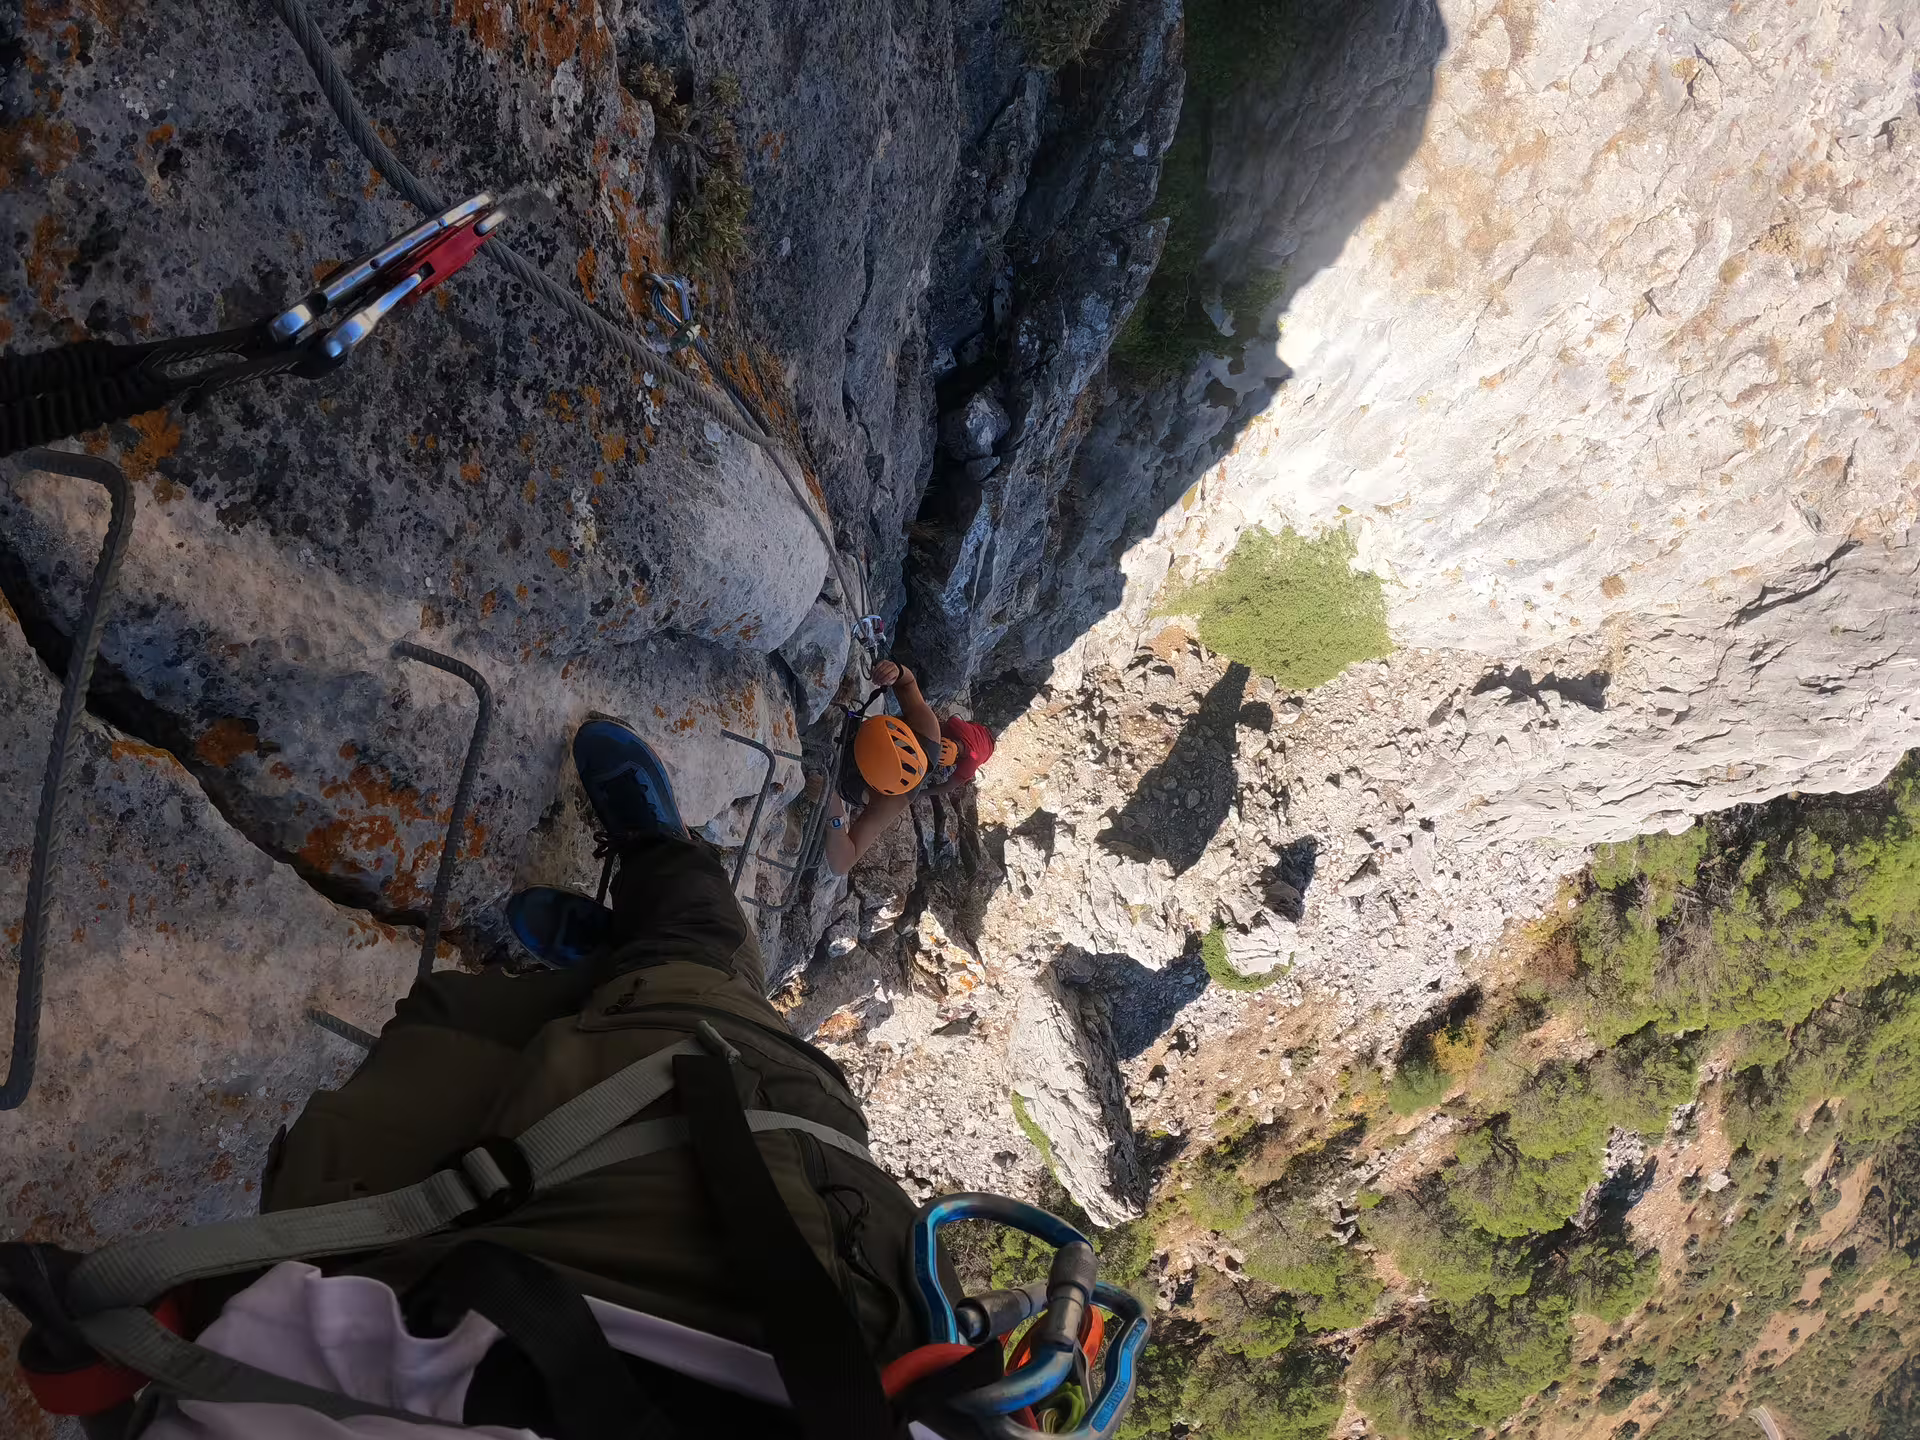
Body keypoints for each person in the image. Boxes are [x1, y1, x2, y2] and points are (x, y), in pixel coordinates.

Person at [8, 717, 944, 1439]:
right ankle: (652, 877)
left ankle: (609, 959)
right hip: (786, 1296)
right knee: (695, 972)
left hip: (404, 1284)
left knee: (448, 1025)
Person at [824, 661, 996, 875]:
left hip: (848, 779)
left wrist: (834, 814)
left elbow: (841, 864)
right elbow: (907, 683)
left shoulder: (891, 800)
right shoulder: (927, 729)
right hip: (864, 737)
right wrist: (895, 671)